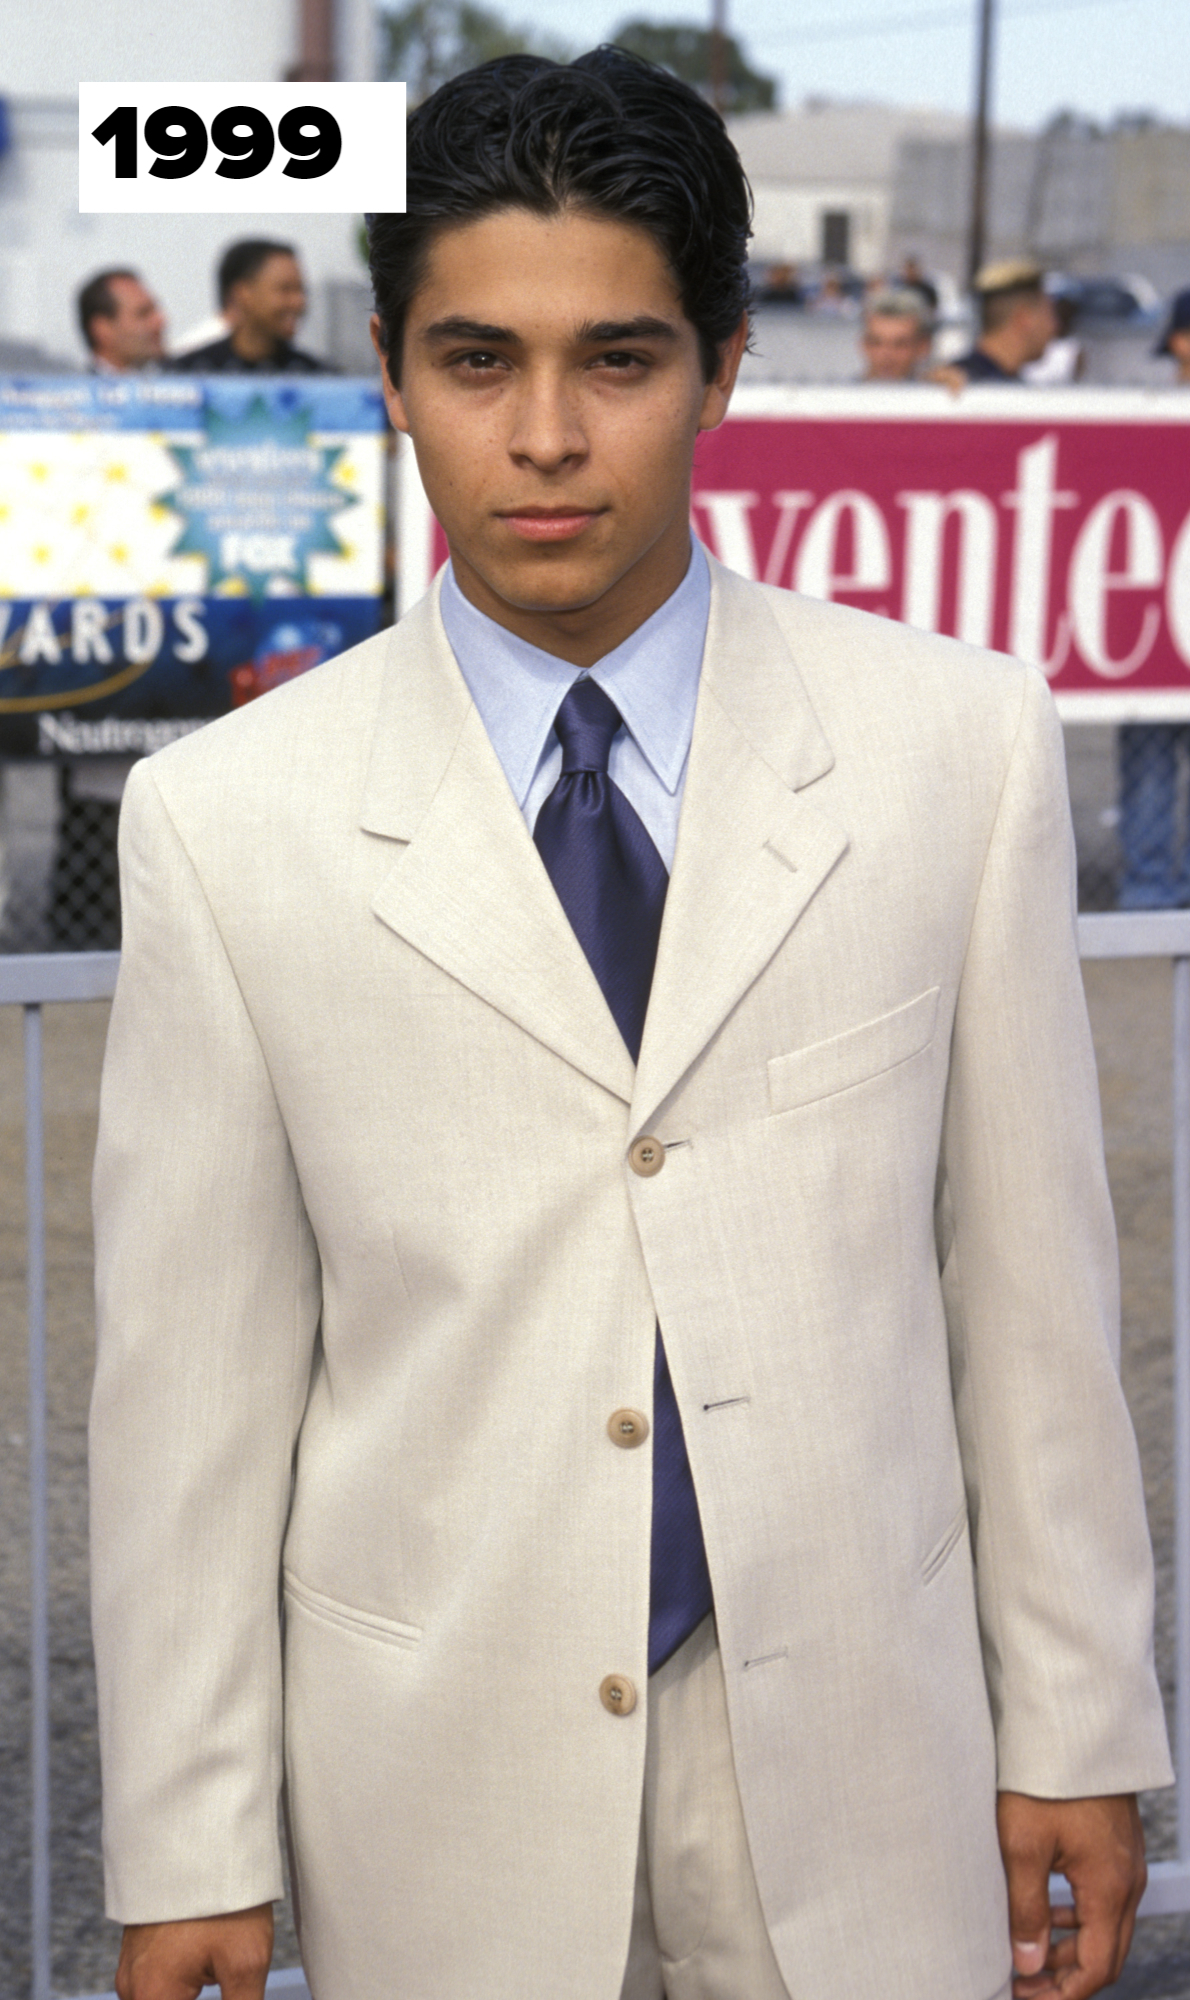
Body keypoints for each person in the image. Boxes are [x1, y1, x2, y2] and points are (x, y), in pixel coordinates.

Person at [91, 48, 1171, 2000]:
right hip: (438, 1790)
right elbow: (192, 1404)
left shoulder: (955, 747)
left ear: (724, 367)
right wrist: (189, 1839)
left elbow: (1028, 1295)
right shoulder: (226, 824)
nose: (545, 437)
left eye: (617, 360)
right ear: (392, 372)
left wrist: (1077, 1716)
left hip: (862, 1757)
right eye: (476, 361)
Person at [1114, 285, 1190, 907]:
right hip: (1153, 624)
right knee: (1149, 764)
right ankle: (1147, 893)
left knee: (1150, 764)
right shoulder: (1145, 419)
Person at [170, 238, 333, 374]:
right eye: (285, 290)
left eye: (301, 290)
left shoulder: (320, 379)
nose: (299, 302)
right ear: (242, 294)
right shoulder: (188, 375)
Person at [947, 257, 1058, 383]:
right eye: (1050, 315)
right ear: (1024, 318)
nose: (1055, 327)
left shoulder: (1001, 382)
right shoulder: (958, 383)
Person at [76, 267, 166, 372]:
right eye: (143, 314)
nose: (160, 321)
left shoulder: (172, 375)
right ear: (102, 329)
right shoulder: (71, 380)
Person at [859, 285, 932, 380]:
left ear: (923, 346)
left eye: (900, 344)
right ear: (864, 345)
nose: (886, 355)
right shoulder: (842, 388)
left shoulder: (940, 386)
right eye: (876, 343)